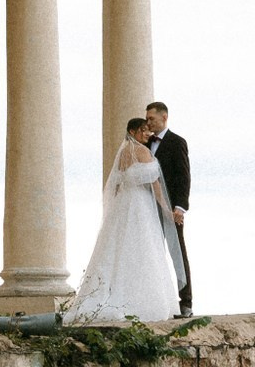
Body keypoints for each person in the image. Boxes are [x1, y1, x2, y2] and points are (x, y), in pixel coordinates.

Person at [64, 116, 187, 324]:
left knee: (118, 247)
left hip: (124, 203)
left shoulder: (122, 153)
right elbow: (156, 185)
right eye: (143, 130)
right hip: (140, 205)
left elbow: (117, 184)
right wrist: (167, 211)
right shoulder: (143, 152)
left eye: (148, 130)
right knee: (143, 248)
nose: (147, 134)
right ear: (133, 132)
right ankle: (143, 301)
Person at [145, 100, 192, 316]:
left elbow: (184, 177)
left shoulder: (177, 142)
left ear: (164, 118)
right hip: (147, 208)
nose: (148, 122)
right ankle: (156, 302)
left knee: (178, 253)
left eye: (151, 118)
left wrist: (180, 207)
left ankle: (186, 302)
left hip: (171, 210)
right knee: (150, 253)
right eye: (147, 119)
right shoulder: (144, 143)